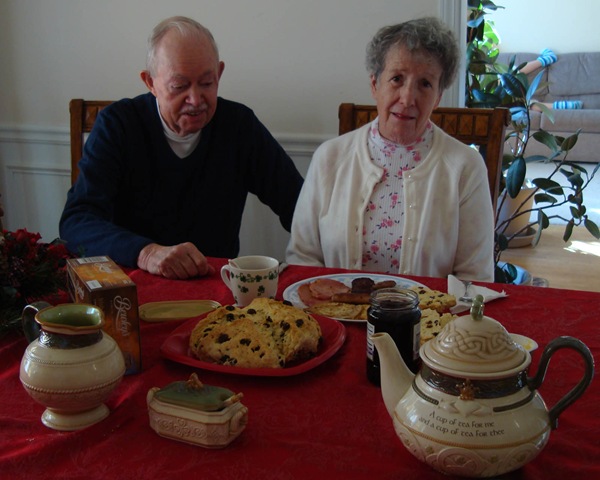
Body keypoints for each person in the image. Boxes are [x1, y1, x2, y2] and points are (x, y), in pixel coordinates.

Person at [60, 16, 303, 280]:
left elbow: (298, 205)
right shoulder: (118, 125)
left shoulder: (239, 126)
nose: (196, 100)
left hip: (215, 289)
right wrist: (147, 253)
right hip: (132, 288)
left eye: (207, 83)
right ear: (150, 82)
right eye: (180, 86)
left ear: (219, 73)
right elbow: (77, 221)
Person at [286, 17, 495, 281]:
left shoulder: (465, 167)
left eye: (425, 84)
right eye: (397, 78)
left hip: (434, 322)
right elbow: (303, 258)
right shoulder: (330, 158)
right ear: (375, 84)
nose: (407, 99)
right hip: (334, 318)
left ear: (438, 97)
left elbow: (474, 277)